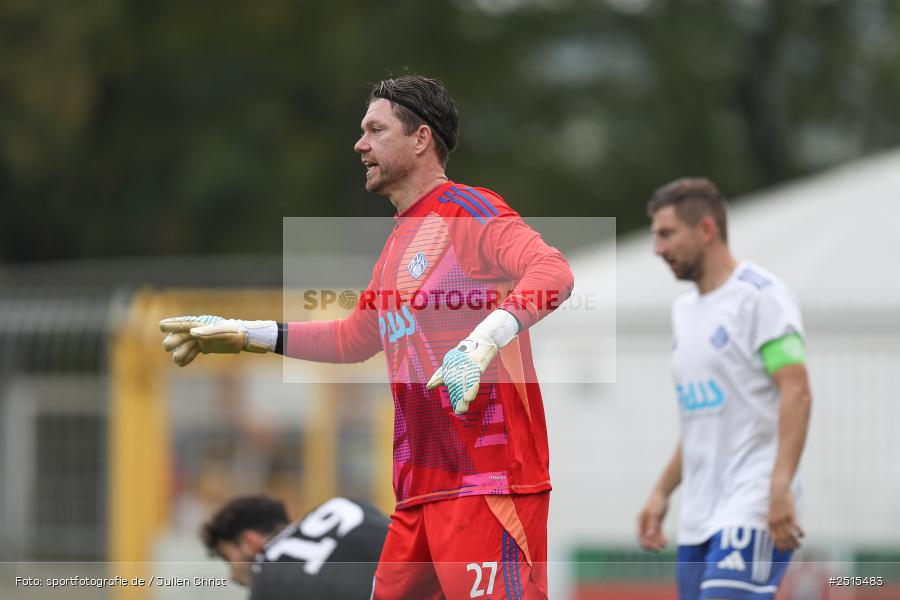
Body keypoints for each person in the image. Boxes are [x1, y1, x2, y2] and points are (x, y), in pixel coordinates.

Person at [161, 75, 574, 599]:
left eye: (375, 130)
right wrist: (249, 334)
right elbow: (354, 338)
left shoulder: (469, 212)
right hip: (419, 496)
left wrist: (482, 340)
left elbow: (553, 272)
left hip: (487, 486)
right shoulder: (398, 244)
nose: (360, 144)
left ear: (420, 139)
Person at [637, 178, 813, 600]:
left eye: (666, 234)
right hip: (699, 516)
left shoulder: (760, 298)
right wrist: (662, 491)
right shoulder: (684, 311)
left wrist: (780, 485)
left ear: (707, 230)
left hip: (753, 504)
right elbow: (703, 418)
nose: (658, 249)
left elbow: (797, 392)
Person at [202, 495, 389, 600]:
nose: (232, 575)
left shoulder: (269, 575)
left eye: (227, 558)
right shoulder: (347, 505)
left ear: (249, 541)